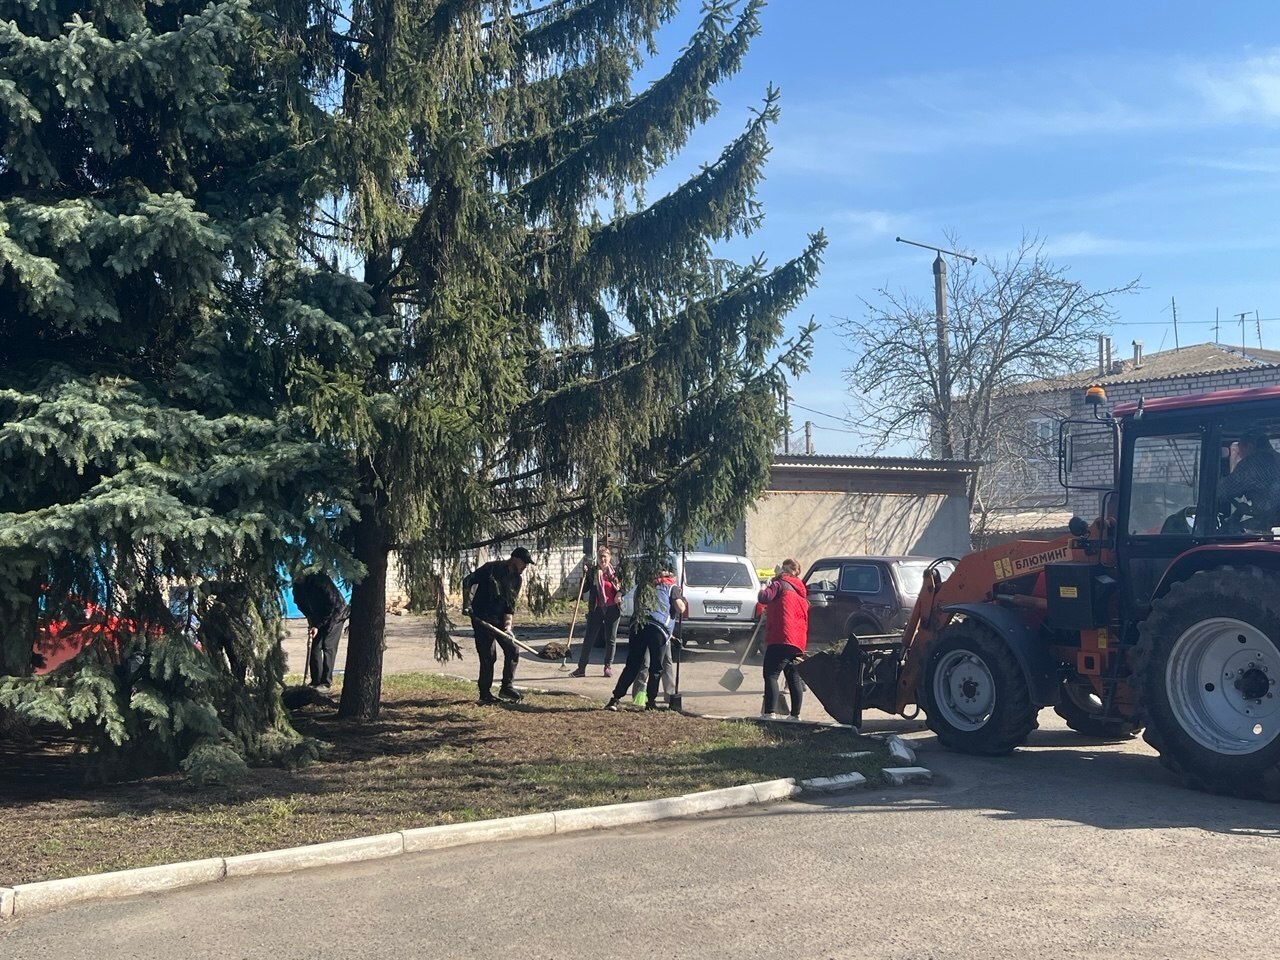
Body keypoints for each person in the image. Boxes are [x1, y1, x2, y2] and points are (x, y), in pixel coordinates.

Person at [604, 566, 686, 711]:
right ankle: (651, 702)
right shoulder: (671, 586)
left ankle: (615, 699)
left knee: (632, 665)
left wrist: (672, 637)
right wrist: (681, 599)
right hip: (658, 629)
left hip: (638, 625)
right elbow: (680, 608)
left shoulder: (645, 585)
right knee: (656, 667)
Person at [462, 547, 533, 704]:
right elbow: (467, 580)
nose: (525, 567)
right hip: (481, 618)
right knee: (488, 656)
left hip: (500, 621)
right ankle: (485, 694)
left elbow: (510, 607)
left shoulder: (517, 580)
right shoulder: (491, 569)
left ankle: (506, 687)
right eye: (524, 563)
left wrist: (508, 627)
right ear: (515, 558)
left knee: (512, 649)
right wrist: (467, 604)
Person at [758, 558, 808, 720]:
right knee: (793, 677)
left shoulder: (779, 583)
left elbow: (763, 597)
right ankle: (795, 715)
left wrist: (763, 585)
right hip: (798, 640)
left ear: (784, 570)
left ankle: (769, 713)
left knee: (771, 675)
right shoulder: (800, 590)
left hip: (781, 637)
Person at [571, 546, 621, 678]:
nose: (603, 559)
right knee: (589, 638)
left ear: (609, 558)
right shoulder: (593, 572)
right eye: (600, 557)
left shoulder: (616, 573)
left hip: (613, 609)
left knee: (611, 639)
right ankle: (581, 668)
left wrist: (620, 593)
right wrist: (584, 575)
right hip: (596, 608)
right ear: (597, 559)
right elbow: (585, 589)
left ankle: (607, 667)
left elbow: (624, 586)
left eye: (605, 557)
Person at [292, 572, 348, 688]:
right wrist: (310, 618)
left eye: (298, 575)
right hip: (319, 616)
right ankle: (315, 681)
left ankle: (326, 683)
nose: (296, 578)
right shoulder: (297, 586)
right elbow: (300, 603)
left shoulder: (319, 581)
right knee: (315, 647)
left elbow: (330, 605)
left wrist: (317, 625)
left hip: (336, 614)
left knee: (328, 647)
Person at [1218, 424, 1280, 529]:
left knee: (1231, 530)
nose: (1239, 453)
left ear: (1250, 445)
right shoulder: (1278, 458)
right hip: (1273, 520)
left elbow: (1222, 491)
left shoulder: (1250, 464)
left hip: (1269, 521)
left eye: (1240, 447)